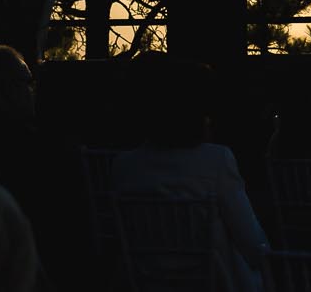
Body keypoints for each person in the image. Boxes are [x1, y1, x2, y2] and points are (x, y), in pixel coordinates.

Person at [109, 57, 269, 292]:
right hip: (215, 283)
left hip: (149, 282)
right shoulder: (217, 160)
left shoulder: (124, 165)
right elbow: (252, 244)